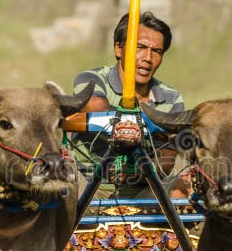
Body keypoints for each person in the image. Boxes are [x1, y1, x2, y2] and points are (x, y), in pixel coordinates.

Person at [71, 11, 189, 199]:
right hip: (88, 185)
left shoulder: (171, 98)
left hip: (141, 188)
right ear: (119, 49)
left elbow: (167, 158)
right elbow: (95, 106)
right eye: (140, 47)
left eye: (157, 51)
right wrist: (147, 123)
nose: (148, 58)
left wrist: (138, 174)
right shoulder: (92, 79)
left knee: (181, 190)